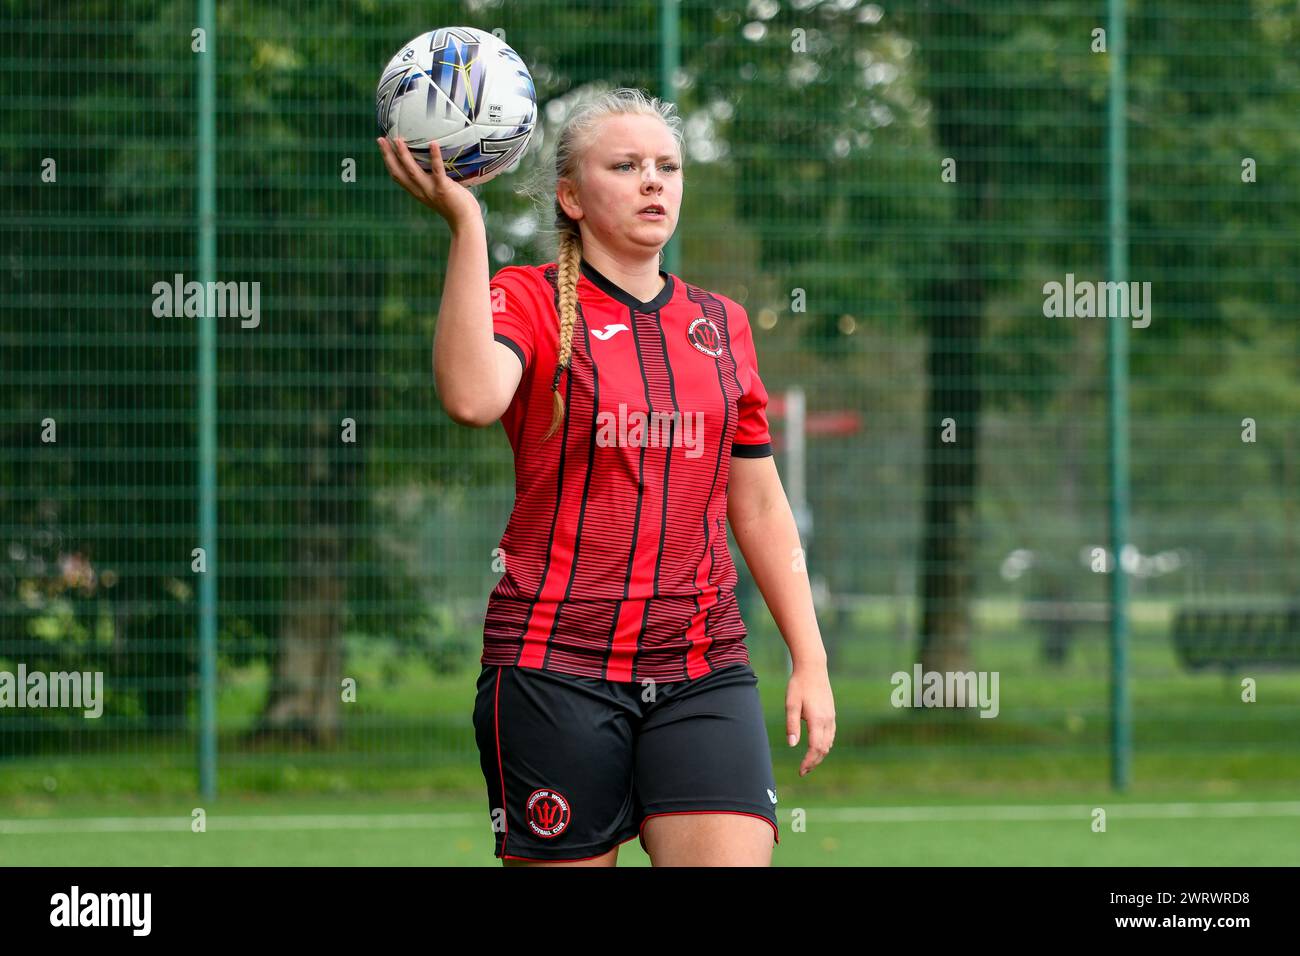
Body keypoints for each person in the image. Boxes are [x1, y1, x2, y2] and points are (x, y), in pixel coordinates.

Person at [377, 87, 835, 867]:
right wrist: (467, 227)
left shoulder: (720, 325)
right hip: (555, 666)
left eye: (668, 166)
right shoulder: (528, 298)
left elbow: (756, 505)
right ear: (570, 196)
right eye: (625, 166)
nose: (654, 181)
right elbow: (471, 396)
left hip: (701, 662)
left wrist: (810, 657)